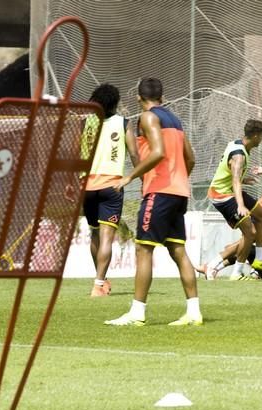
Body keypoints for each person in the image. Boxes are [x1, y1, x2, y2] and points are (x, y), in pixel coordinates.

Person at [105, 78, 202, 326]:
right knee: (178, 250)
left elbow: (158, 152)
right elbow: (190, 158)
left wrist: (130, 176)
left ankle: (137, 313)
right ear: (163, 96)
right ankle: (194, 312)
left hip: (159, 192)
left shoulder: (147, 118)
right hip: (178, 192)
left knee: (143, 249)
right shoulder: (176, 121)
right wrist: (179, 179)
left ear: (138, 97)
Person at [83, 83, 138, 297]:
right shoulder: (123, 123)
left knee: (95, 235)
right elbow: (134, 154)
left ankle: (102, 280)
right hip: (111, 185)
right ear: (114, 103)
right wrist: (140, 175)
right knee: (107, 238)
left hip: (87, 186)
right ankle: (98, 285)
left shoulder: (85, 123)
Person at [205, 119, 262, 280]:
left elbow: (231, 174)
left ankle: (260, 259)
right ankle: (234, 272)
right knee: (250, 233)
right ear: (255, 136)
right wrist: (241, 205)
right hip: (222, 195)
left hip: (231, 190)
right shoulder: (239, 155)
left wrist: (244, 179)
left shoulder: (236, 144)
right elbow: (234, 179)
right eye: (261, 136)